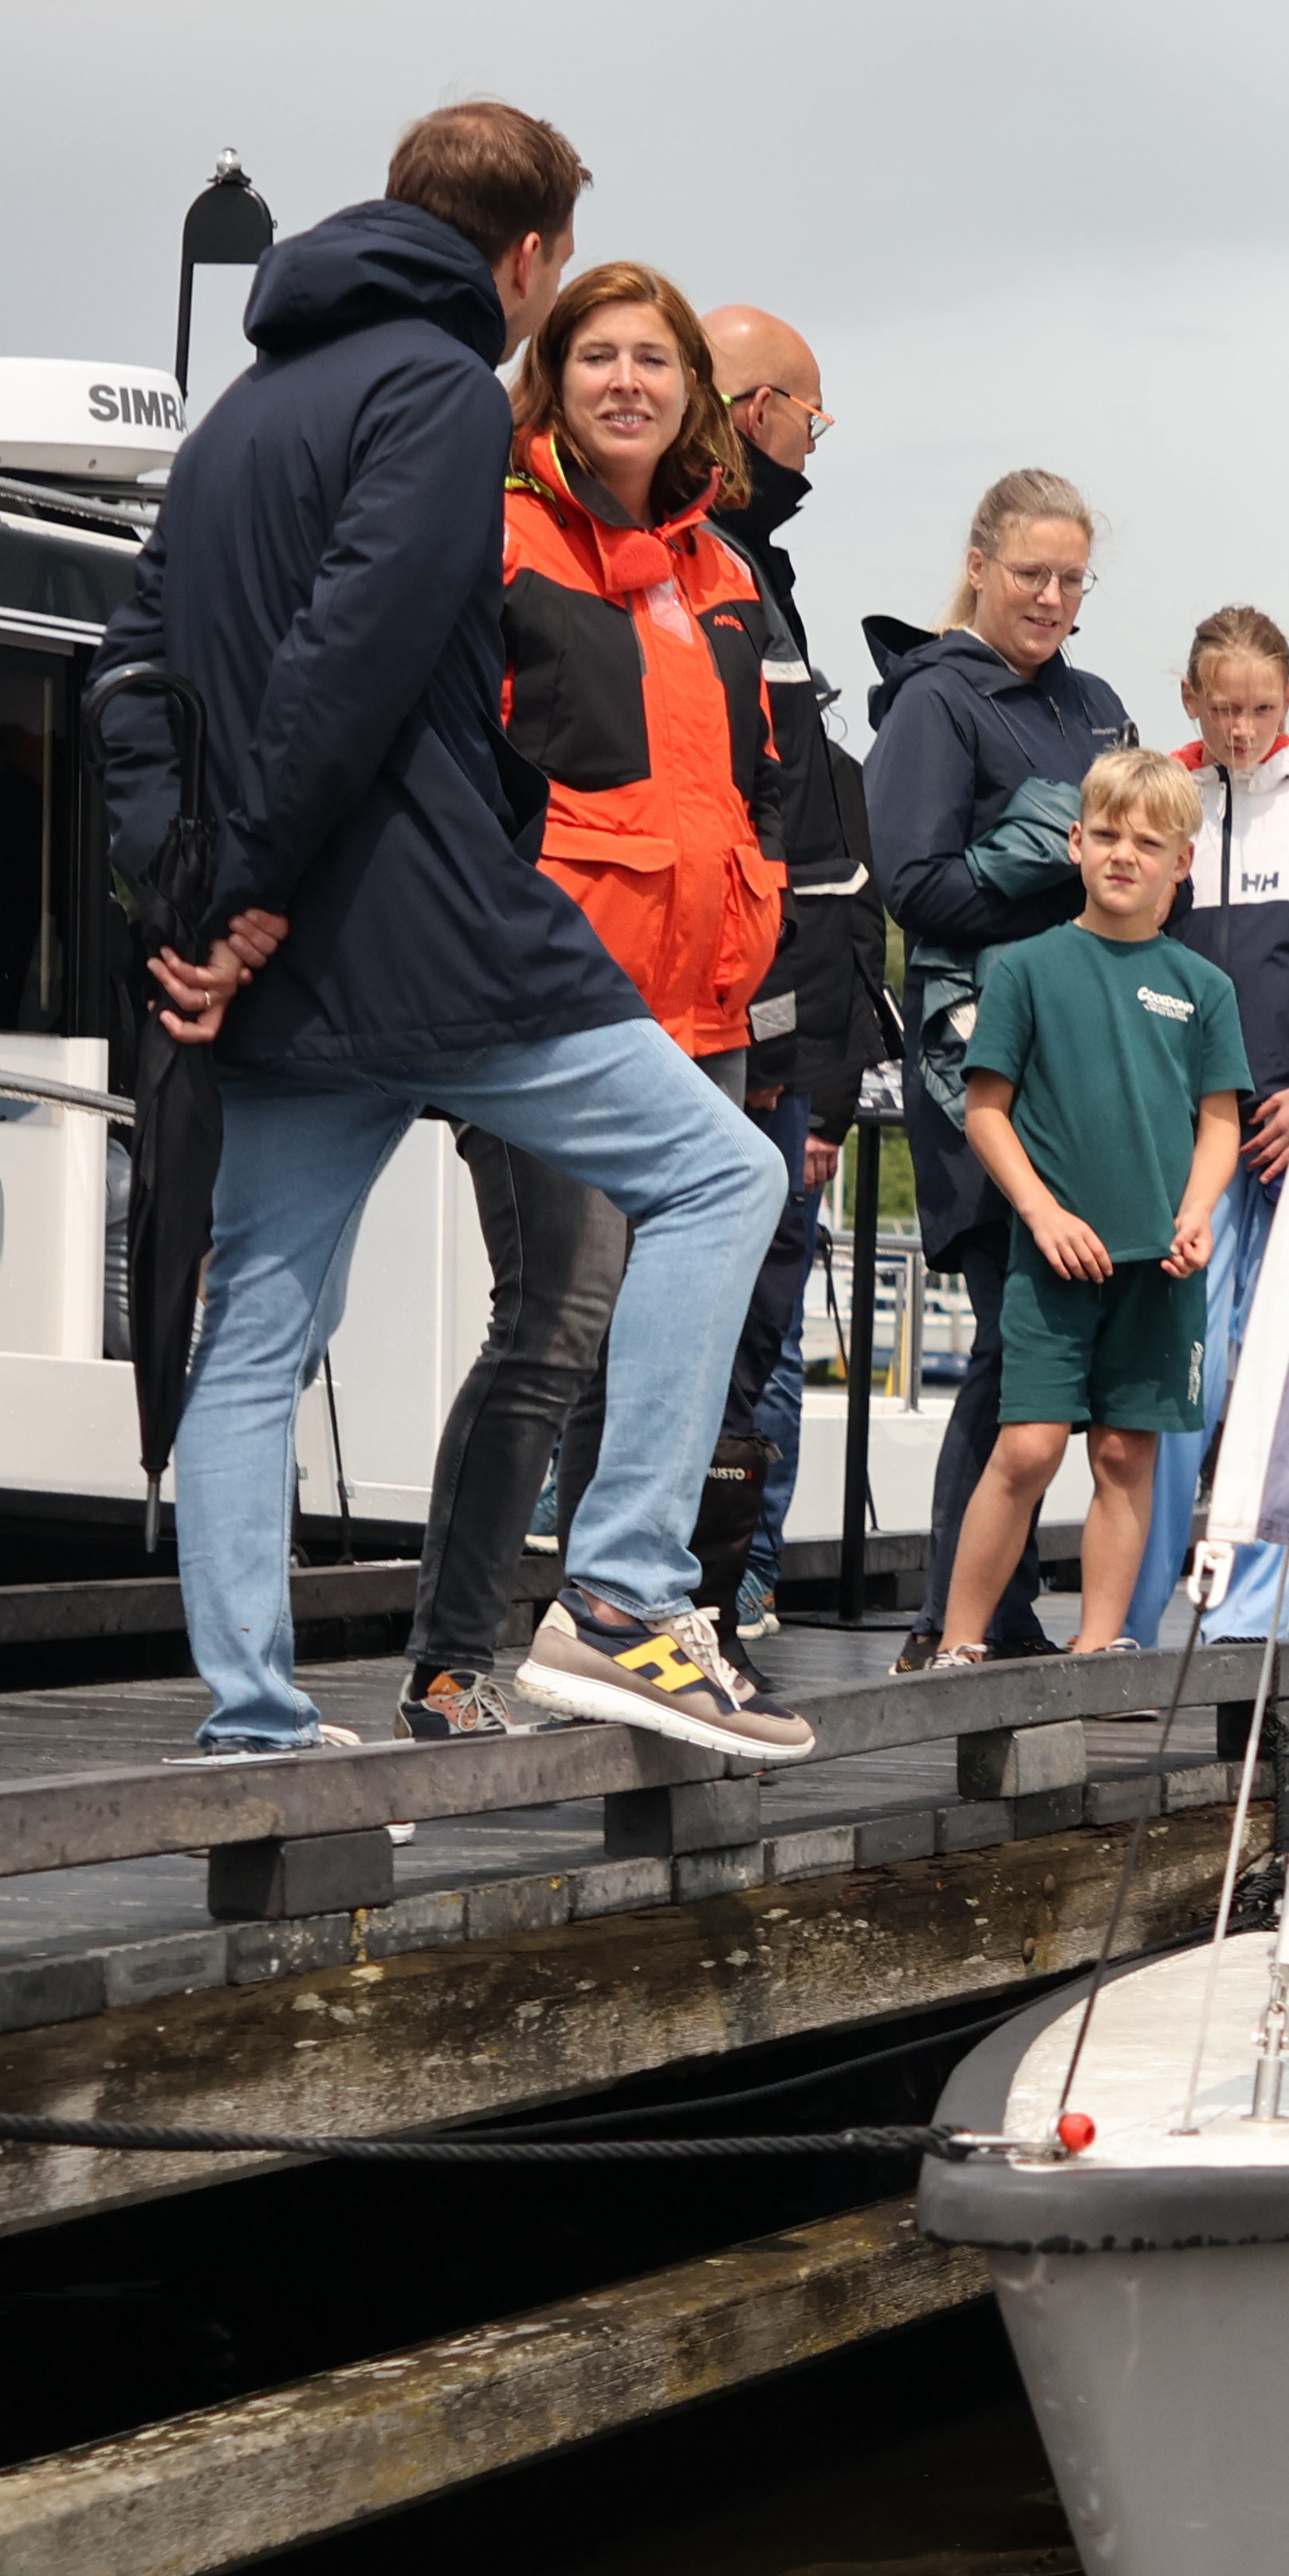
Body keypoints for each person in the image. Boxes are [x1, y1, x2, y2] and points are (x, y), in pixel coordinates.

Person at [96, 102, 804, 1762]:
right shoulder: (431, 391)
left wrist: (186, 900)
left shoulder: (239, 417)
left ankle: (255, 1719)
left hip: (277, 966)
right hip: (417, 926)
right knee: (725, 1176)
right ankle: (626, 1596)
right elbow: (352, 654)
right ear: (533, 254)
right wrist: (257, 885)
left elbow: (131, 666)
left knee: (259, 1319)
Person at [392, 261, 806, 1741]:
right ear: (551, 380)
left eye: (654, 359)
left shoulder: (729, 575)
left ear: (694, 390)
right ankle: (456, 1658)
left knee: (660, 1323)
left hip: (694, 1016)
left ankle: (625, 1628)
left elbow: (761, 812)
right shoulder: (497, 540)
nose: (627, 382)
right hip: (548, 1002)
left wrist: (757, 1024)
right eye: (596, 357)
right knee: (557, 1317)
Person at [864, 471, 1134, 1667]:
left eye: (1073, 579)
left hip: (1089, 1062)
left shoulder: (1098, 705)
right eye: (1032, 572)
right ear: (979, 564)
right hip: (973, 1060)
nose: (1052, 597)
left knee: (1049, 1346)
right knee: (1008, 1340)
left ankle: (993, 1610)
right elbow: (914, 889)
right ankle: (953, 1620)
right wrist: (1053, 848)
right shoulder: (934, 704)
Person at [929, 747, 1245, 1664]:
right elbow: (985, 1112)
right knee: (1027, 1448)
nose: (1123, 854)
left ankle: (1098, 1645)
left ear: (1181, 862)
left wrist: (1196, 1215)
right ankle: (958, 1643)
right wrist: (1042, 1213)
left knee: (1123, 1456)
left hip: (1163, 1267)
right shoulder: (1024, 968)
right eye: (1105, 834)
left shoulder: (1206, 988)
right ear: (1074, 842)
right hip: (1053, 1261)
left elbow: (1219, 1125)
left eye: (1148, 842)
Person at [698, 307, 891, 1635]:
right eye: (811, 417)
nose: (813, 441)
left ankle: (709, 1597)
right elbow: (765, 845)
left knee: (747, 1336)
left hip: (771, 1048)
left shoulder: (756, 564)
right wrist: (802, 1064)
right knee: (722, 1336)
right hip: (733, 1039)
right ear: (758, 405)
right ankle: (697, 1598)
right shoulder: (715, 565)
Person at [1122, 607, 1289, 1647]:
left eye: (1261, 709)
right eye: (1223, 708)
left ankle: (1250, 1620)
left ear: (1288, 704)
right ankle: (1128, 1615)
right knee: (1186, 1372)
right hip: (1193, 1138)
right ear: (1191, 700)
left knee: (1275, 1376)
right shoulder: (1165, 817)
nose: (1241, 728)